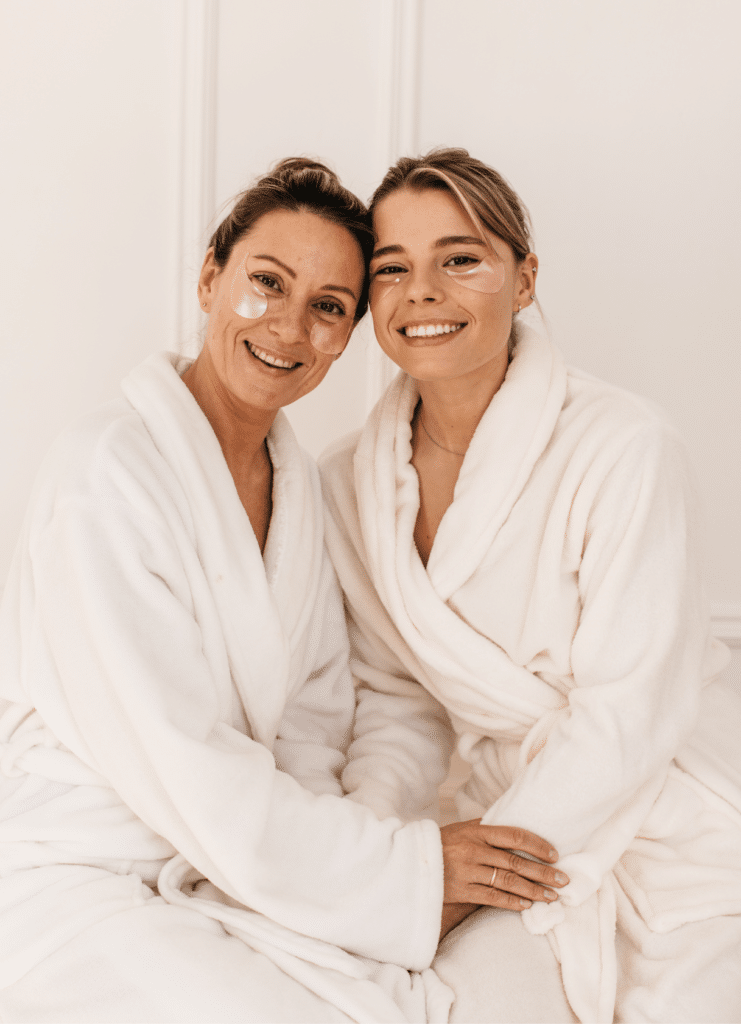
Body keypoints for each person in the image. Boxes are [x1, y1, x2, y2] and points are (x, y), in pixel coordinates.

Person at [0, 157, 571, 1024]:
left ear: (350, 333)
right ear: (209, 277)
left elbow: (311, 726)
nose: (290, 327)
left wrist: (356, 874)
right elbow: (181, 758)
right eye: (266, 282)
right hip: (83, 874)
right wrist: (400, 873)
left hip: (234, 868)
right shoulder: (106, 474)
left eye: (329, 307)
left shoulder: (299, 486)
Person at [321, 149, 741, 1023]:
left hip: (660, 804)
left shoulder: (623, 446)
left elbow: (628, 715)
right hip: (499, 809)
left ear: (523, 279)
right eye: (391, 268)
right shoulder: (346, 482)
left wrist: (482, 868)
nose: (422, 291)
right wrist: (382, 866)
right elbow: (398, 700)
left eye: (459, 258)